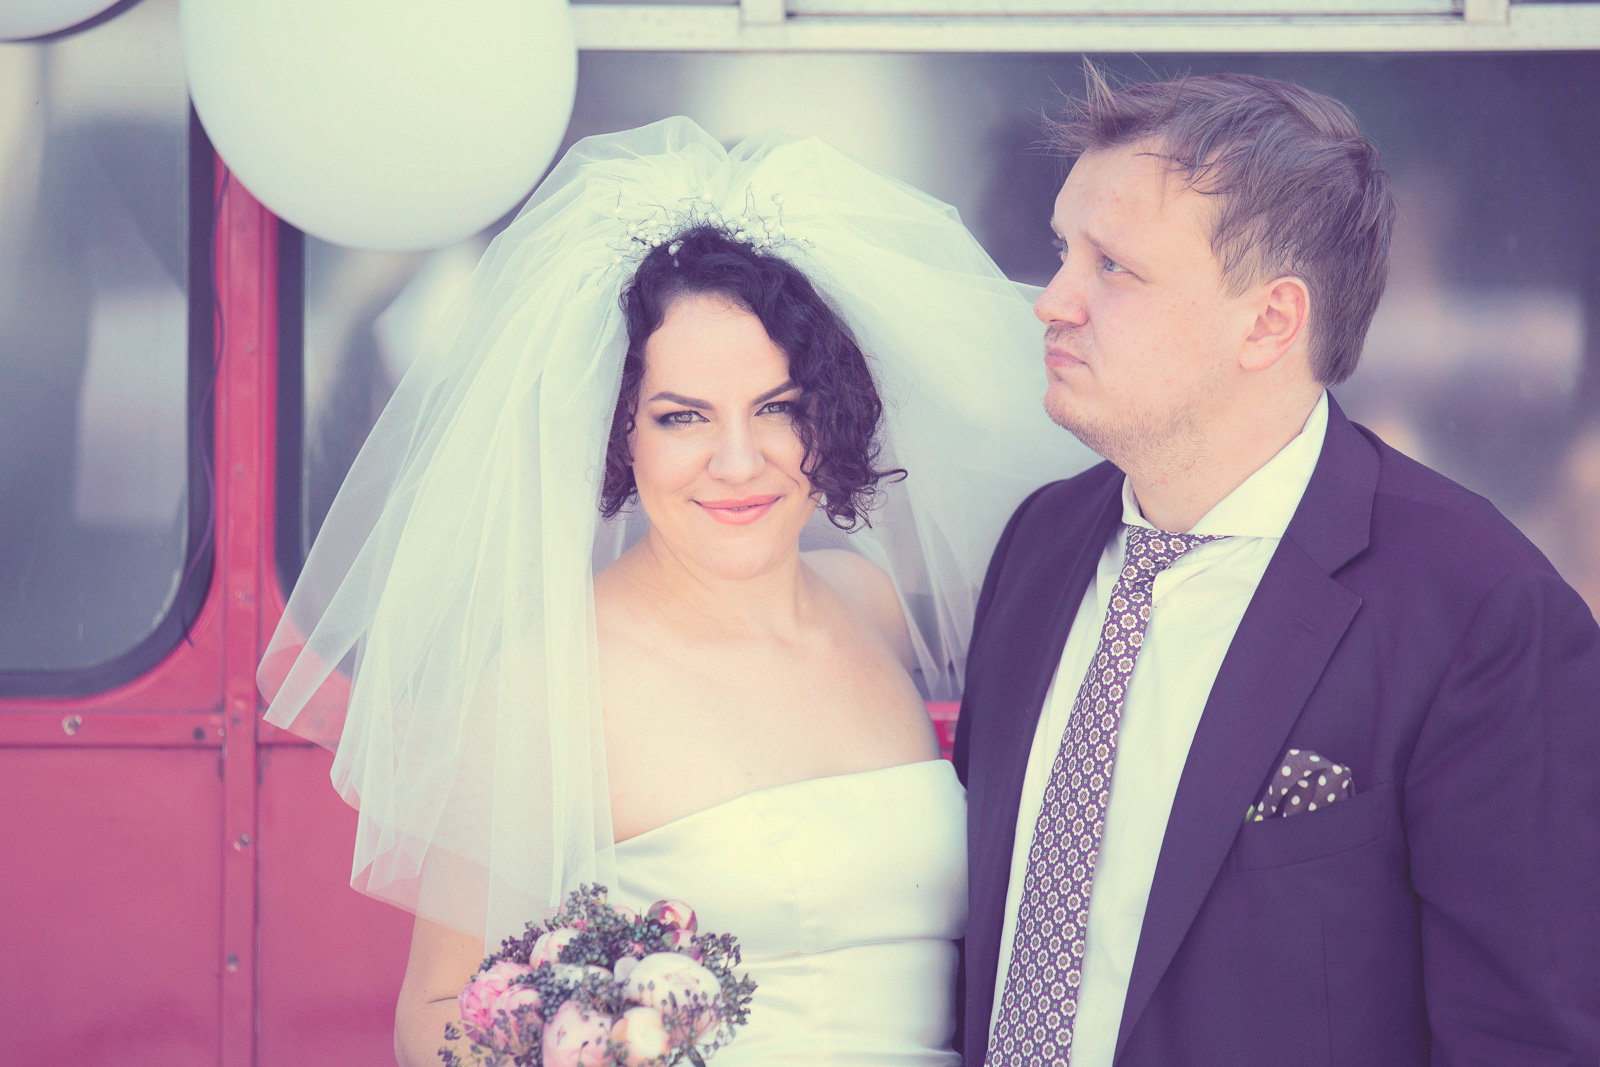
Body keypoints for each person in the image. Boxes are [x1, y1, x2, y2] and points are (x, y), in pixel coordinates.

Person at [256, 118, 1092, 1066]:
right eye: (682, 416)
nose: (738, 461)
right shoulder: (550, 679)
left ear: (831, 412)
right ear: (621, 433)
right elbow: (435, 1013)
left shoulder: (870, 605)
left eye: (777, 407)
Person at [954, 69, 1600, 1066]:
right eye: (1062, 250)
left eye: (1112, 265)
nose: (1052, 300)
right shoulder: (1040, 546)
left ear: (1268, 321)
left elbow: (1524, 1039)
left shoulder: (1481, 610)